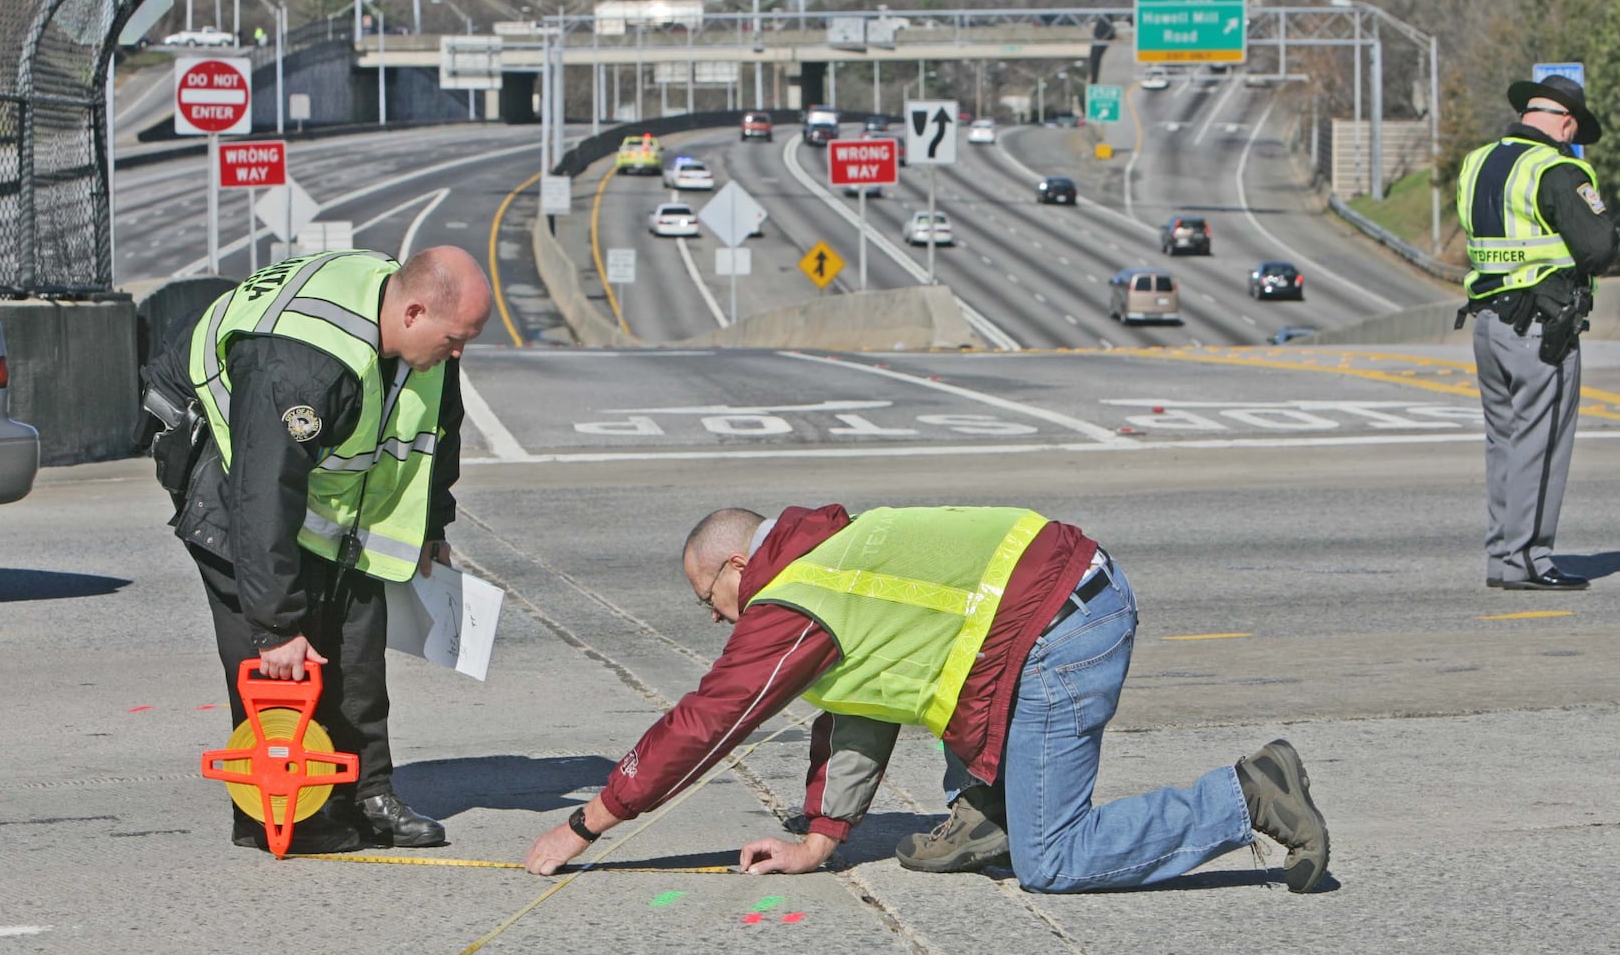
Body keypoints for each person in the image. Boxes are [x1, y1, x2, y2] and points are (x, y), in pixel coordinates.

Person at [524, 505, 1331, 893]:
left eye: (710, 595)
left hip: (1059, 633)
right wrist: (821, 836)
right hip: (1052, 605)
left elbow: (708, 720)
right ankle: (987, 812)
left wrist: (589, 821)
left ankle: (1247, 796)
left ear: (738, 562)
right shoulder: (831, 554)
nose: (713, 615)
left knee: (1053, 865)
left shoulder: (792, 596)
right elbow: (866, 703)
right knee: (938, 668)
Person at [137, 246, 492, 854]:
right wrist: (275, 626)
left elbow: (441, 426)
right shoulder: (301, 367)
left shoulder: (420, 334)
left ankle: (367, 792)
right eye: (455, 339)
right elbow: (259, 496)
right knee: (278, 661)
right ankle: (281, 810)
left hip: (315, 483)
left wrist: (434, 523)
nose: (458, 353)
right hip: (225, 468)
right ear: (412, 313)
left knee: (355, 632)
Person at [1456, 74, 1618, 590]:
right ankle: (1530, 557)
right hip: (1541, 329)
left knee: (1504, 442)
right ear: (1566, 121)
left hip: (1488, 322)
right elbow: (1599, 250)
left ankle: (1504, 556)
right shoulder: (1559, 168)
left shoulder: (1478, 162)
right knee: (1541, 444)